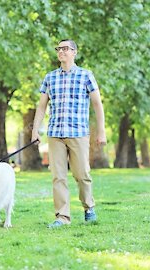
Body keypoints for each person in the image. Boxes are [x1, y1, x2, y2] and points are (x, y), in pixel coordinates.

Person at [32, 39, 107, 228]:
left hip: (78, 132)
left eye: (65, 49)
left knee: (82, 175)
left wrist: (101, 131)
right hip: (55, 134)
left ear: (74, 52)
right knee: (58, 177)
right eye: (59, 49)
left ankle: (89, 208)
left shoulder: (85, 75)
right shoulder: (50, 77)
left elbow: (97, 104)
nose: (61, 52)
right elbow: (41, 107)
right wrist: (35, 130)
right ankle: (62, 217)